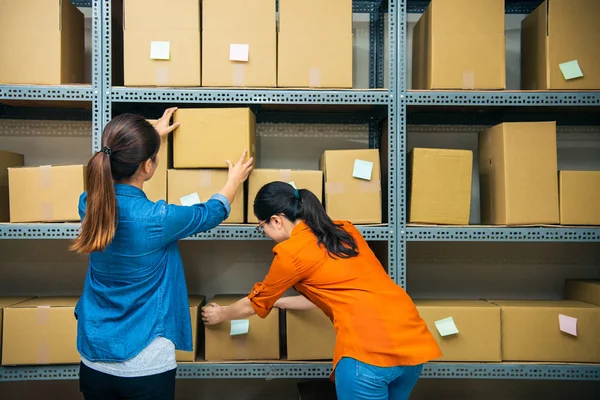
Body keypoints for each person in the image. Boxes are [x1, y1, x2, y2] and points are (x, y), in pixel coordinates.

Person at [70, 108, 253, 400]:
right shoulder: (157, 218)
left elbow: (115, 162)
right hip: (145, 366)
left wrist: (149, 138)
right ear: (147, 167)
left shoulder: (88, 203)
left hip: (94, 358)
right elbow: (210, 212)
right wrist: (234, 180)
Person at [202, 182, 442, 400]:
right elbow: (333, 293)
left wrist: (221, 314)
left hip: (367, 355)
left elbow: (252, 304)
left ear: (276, 220)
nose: (263, 232)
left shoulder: (292, 253)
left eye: (261, 226)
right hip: (411, 346)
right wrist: (279, 302)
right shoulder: (345, 231)